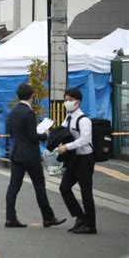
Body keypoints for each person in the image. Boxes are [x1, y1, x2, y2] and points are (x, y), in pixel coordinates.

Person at [5, 83, 66, 228]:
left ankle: (10, 217)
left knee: (13, 188)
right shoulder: (29, 113)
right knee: (39, 187)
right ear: (32, 95)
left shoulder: (13, 112)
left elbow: (12, 134)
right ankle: (48, 217)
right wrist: (44, 134)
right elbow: (33, 135)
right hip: (31, 156)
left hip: (17, 154)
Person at [58, 89, 97, 234]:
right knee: (64, 188)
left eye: (69, 99)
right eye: (65, 99)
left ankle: (91, 225)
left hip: (85, 159)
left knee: (86, 192)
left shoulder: (84, 120)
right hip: (73, 159)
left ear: (77, 102)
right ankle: (80, 217)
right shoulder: (68, 118)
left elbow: (85, 139)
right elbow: (62, 132)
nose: (66, 102)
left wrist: (66, 146)